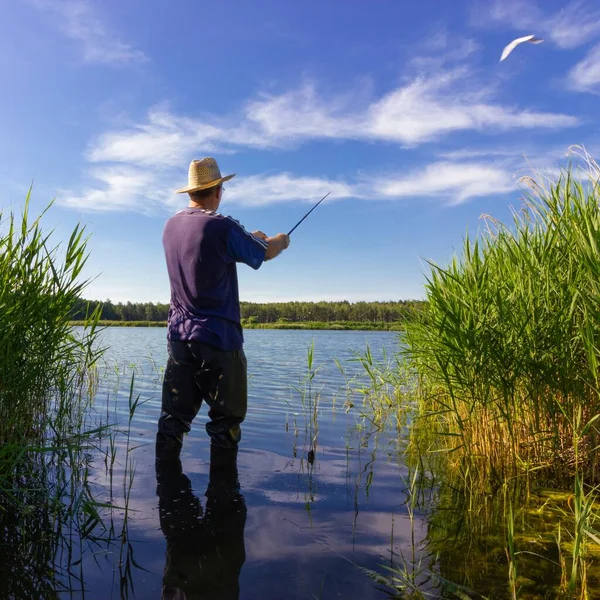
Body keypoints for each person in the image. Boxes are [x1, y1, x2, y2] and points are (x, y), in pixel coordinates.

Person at [157, 157, 290, 458]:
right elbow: (265, 253)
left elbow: (212, 246)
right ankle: (223, 498)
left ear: (191, 192)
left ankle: (166, 494)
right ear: (217, 190)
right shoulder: (222, 226)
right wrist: (281, 241)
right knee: (225, 425)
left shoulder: (170, 226)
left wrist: (250, 238)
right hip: (219, 341)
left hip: (179, 339)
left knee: (172, 422)